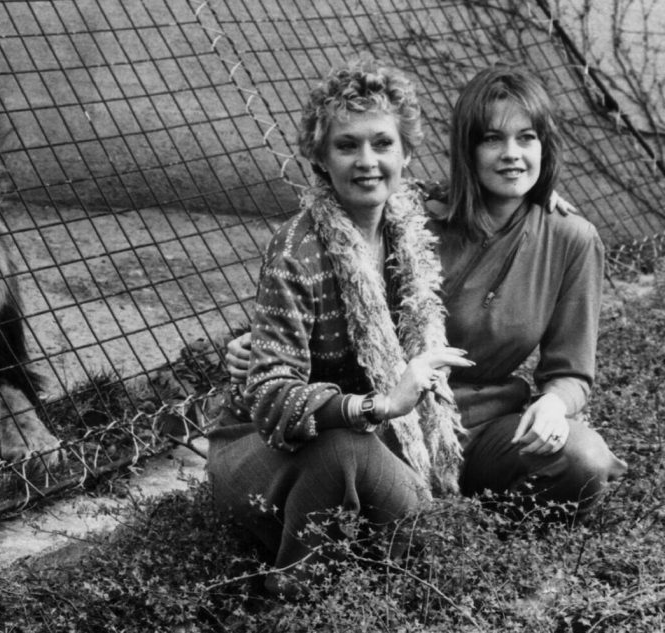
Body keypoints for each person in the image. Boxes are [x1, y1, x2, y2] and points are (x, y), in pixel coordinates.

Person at [224, 65, 627, 530]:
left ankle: (491, 538)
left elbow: (572, 371)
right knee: (392, 502)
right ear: (466, 149)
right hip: (390, 419)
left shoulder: (571, 239)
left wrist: (555, 403)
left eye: (527, 138)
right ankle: (413, 530)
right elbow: (326, 286)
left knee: (583, 459)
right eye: (492, 139)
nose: (512, 155)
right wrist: (252, 345)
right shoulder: (413, 218)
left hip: (482, 422)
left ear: (545, 145)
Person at [205, 60, 473, 593]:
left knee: (430, 543)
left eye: (382, 144)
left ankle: (363, 576)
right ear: (321, 159)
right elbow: (269, 394)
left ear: (406, 153)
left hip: (374, 443)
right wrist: (379, 405)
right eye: (347, 146)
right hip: (269, 446)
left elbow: (496, 186)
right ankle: (290, 597)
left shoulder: (410, 226)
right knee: (345, 450)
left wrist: (545, 198)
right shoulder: (295, 248)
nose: (368, 162)